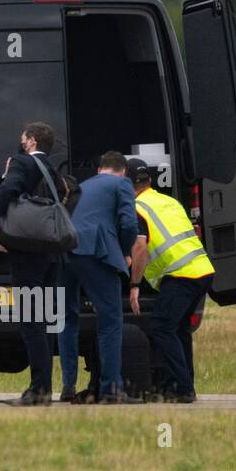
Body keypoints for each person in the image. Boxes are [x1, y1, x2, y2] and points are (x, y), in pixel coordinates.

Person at [0, 121, 61, 407]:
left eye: (23, 138)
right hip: (51, 253)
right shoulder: (52, 169)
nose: (20, 141)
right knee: (44, 322)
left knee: (31, 323)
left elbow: (8, 192)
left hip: (28, 254)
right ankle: (45, 386)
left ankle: (39, 390)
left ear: (31, 141)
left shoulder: (22, 162)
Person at [126, 158, 215, 403]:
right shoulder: (169, 201)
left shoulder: (137, 208)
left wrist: (134, 284)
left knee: (163, 328)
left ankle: (182, 388)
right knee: (180, 329)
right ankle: (177, 385)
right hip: (202, 270)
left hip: (180, 274)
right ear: (149, 181)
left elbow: (140, 248)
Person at [58, 151, 142, 404]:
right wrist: (126, 252)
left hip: (65, 251)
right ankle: (110, 389)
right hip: (94, 251)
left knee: (68, 319)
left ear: (99, 170)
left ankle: (68, 386)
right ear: (123, 170)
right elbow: (128, 224)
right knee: (110, 322)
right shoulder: (122, 184)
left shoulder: (83, 186)